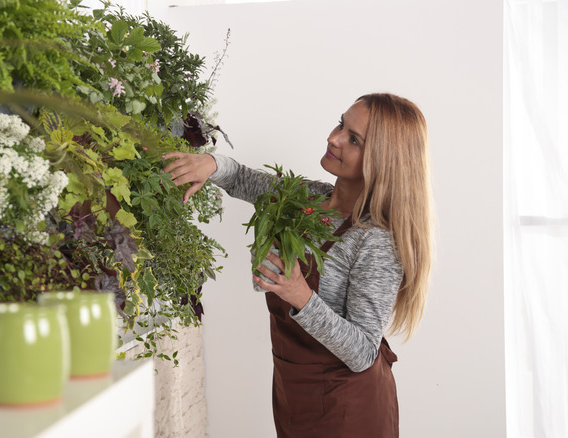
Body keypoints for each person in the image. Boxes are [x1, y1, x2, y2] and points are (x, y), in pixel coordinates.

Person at [162, 93, 434, 437]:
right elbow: (244, 180)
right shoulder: (308, 198)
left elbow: (364, 350)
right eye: (340, 124)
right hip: (296, 391)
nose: (333, 138)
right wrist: (210, 164)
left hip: (349, 408)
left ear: (383, 160)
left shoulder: (376, 240)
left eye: (353, 139)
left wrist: (300, 295)